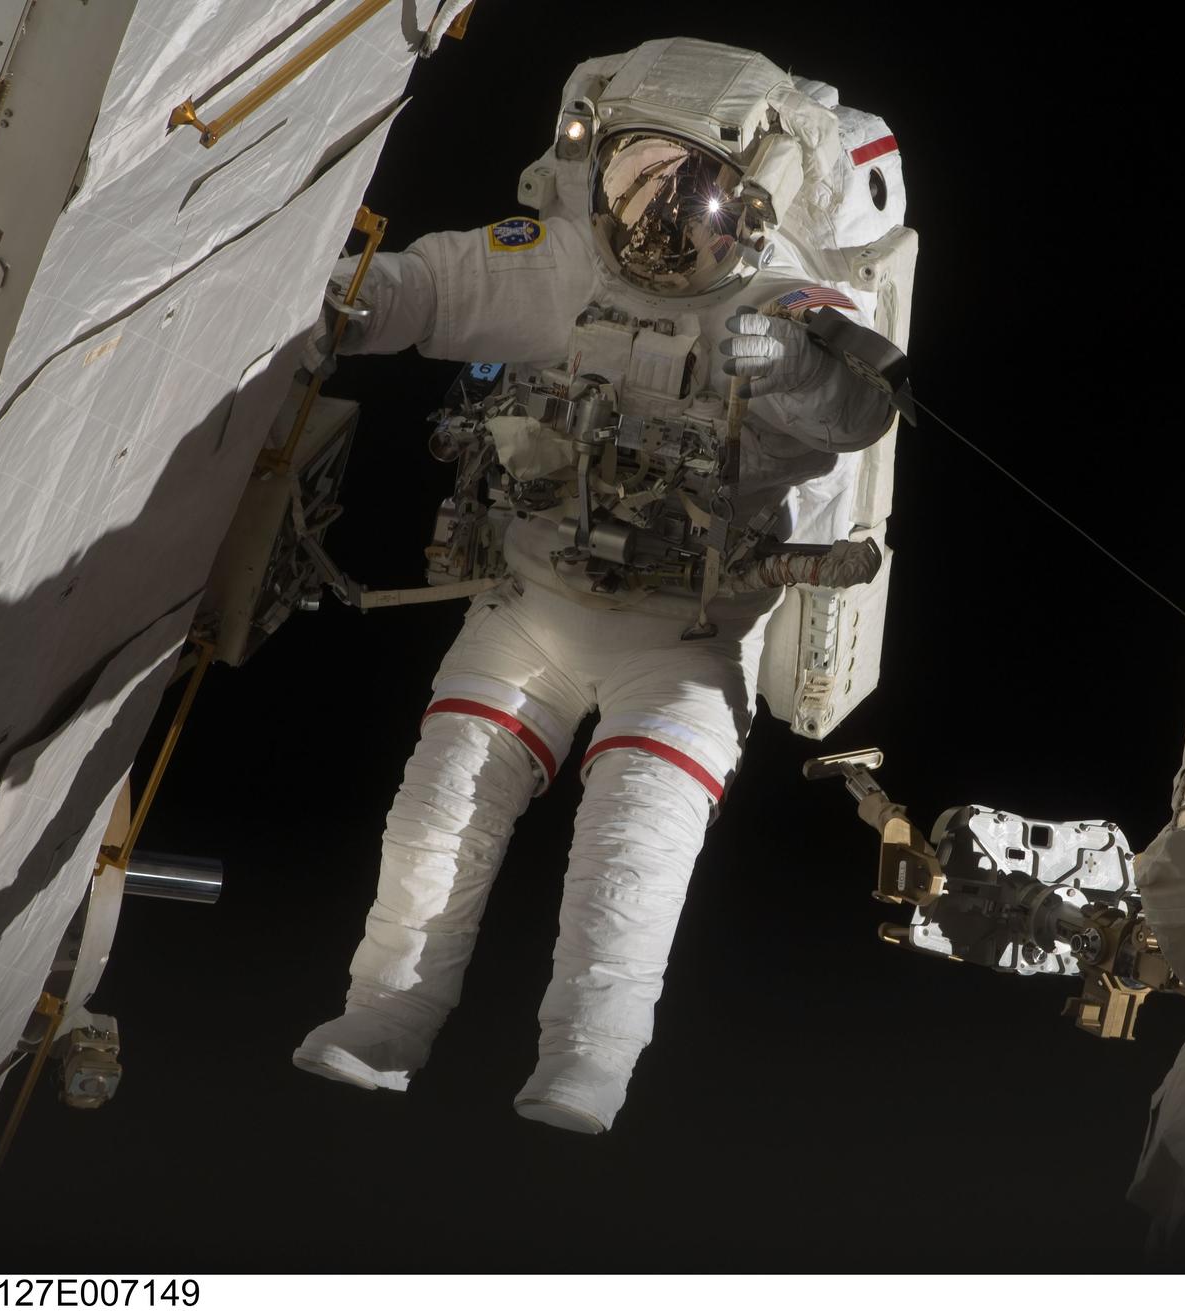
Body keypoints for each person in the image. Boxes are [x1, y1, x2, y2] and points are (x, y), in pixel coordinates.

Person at [292, 36, 907, 1133]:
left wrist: (789, 361)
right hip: (530, 605)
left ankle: (588, 1061)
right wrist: (342, 303)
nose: (658, 211)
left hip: (684, 641)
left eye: (689, 185)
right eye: (639, 174)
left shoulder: (782, 302)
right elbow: (429, 287)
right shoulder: (562, 262)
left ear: (752, 197)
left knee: (633, 852)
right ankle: (385, 1020)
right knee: (437, 814)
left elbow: (861, 405)